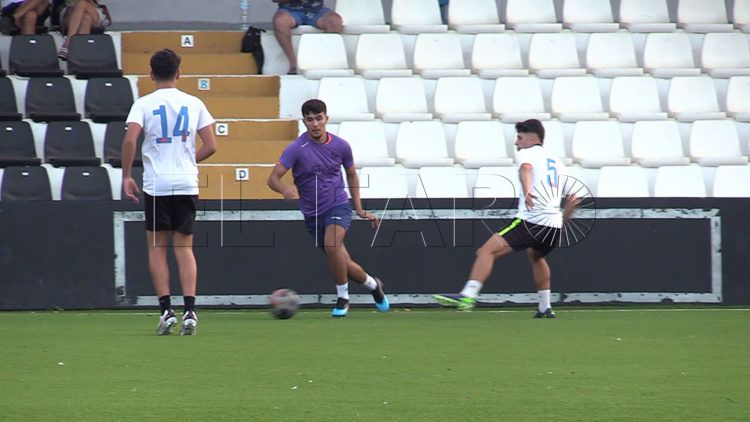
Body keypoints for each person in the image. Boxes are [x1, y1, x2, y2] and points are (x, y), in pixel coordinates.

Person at [434, 119, 580, 318]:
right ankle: (545, 307)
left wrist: (527, 191)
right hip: (553, 226)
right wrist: (563, 221)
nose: (516, 142)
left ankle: (468, 294)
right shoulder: (557, 162)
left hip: (531, 221)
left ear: (532, 139)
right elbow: (574, 198)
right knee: (536, 256)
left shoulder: (526, 153)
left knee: (486, 251)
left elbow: (526, 169)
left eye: (519, 137)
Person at [121, 49, 218, 335]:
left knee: (157, 248)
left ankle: (166, 311)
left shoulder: (143, 104)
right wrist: (188, 160)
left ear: (151, 74)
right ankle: (190, 311)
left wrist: (126, 176)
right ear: (179, 73)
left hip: (157, 184)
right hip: (186, 182)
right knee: (184, 248)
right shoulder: (194, 102)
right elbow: (211, 145)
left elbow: (130, 141)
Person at [268, 99, 389, 318]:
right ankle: (374, 285)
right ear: (304, 122)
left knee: (332, 245)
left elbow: (352, 175)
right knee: (342, 261)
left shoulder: (341, 146)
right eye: (310, 119)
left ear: (326, 118)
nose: (315, 124)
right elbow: (273, 179)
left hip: (338, 205)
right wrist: (284, 189)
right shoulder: (296, 149)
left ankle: (343, 298)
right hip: (312, 214)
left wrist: (360, 209)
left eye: (319, 118)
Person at [271, 0, 342, 75]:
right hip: (290, 10)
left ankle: (325, 61)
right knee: (280, 21)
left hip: (317, 10)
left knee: (334, 20)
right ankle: (293, 64)